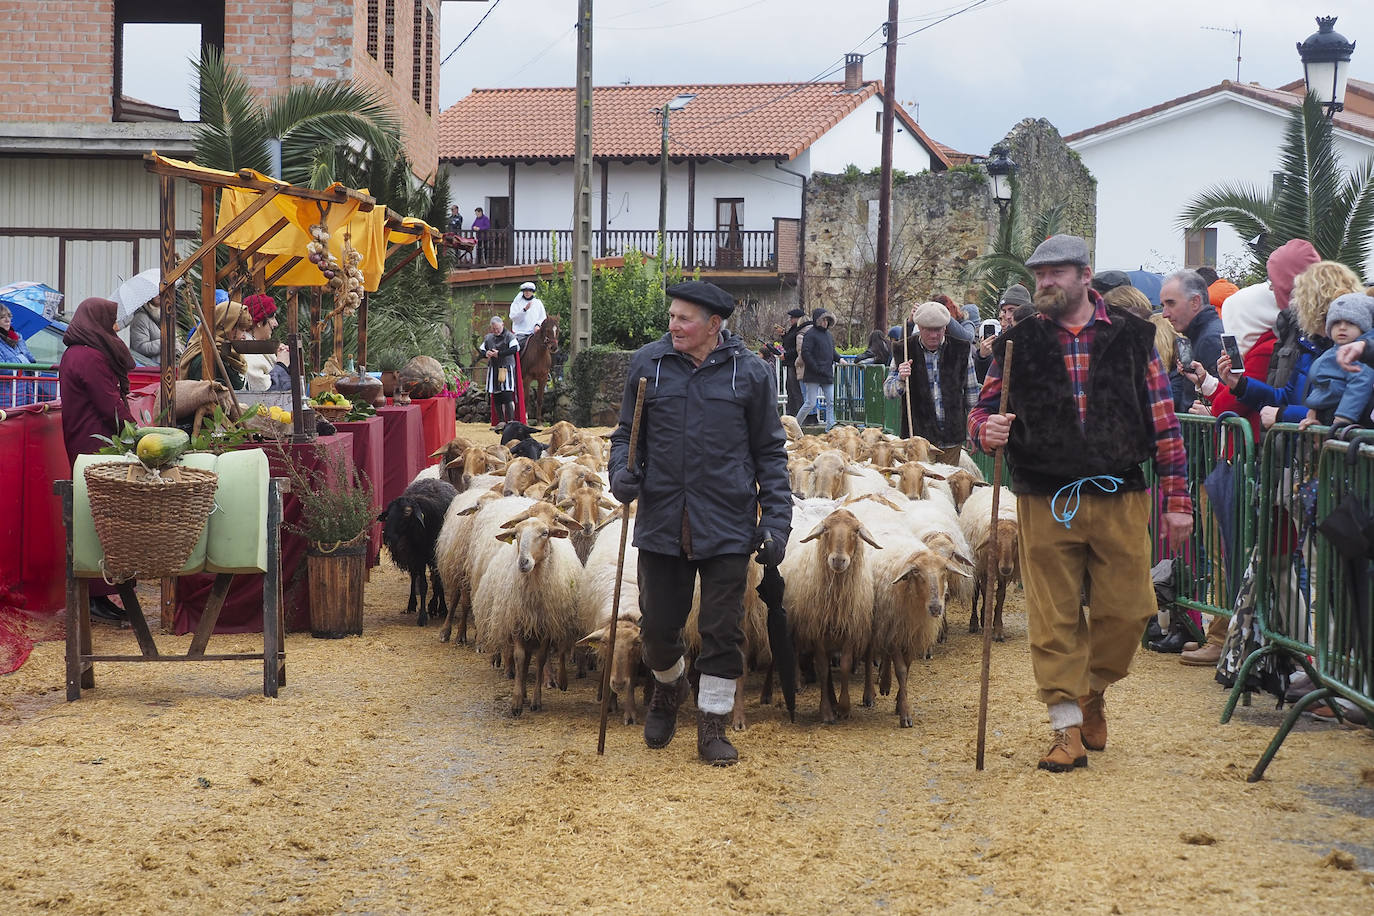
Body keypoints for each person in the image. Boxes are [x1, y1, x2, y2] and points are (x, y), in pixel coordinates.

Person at [969, 234, 1192, 773]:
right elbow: (981, 414)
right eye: (1039, 274)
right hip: (1044, 497)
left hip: (1120, 493)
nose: (1045, 281)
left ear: (1085, 277)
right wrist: (987, 431)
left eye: (1057, 273)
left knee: (1131, 610)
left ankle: (1091, 692)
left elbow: (1164, 422)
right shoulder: (1015, 344)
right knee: (1054, 618)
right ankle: (1065, 727)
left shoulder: (1136, 338)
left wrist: (1177, 498)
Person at [608, 280, 790, 766]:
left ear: (714, 325)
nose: (673, 326)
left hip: (727, 519)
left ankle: (712, 726)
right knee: (658, 630)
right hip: (663, 516)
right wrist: (621, 473)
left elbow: (770, 453)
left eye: (684, 319)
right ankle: (669, 688)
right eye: (671, 316)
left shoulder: (749, 373)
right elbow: (627, 435)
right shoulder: (649, 364)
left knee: (722, 631)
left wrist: (775, 522)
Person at [59, 297, 137, 621]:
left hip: (88, 442)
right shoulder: (90, 357)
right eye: (111, 321)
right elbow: (109, 406)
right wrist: (135, 434)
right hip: (97, 446)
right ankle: (96, 596)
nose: (115, 327)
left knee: (97, 518)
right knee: (102, 520)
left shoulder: (76, 353)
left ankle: (102, 594)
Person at [886, 300, 978, 446]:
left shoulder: (961, 349)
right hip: (916, 442)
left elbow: (972, 394)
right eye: (928, 329)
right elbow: (888, 392)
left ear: (945, 328)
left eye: (939, 329)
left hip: (952, 439)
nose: (934, 335)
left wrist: (972, 432)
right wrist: (901, 379)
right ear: (920, 327)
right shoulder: (903, 350)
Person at [1300, 293, 1374, 429]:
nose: (1342, 327)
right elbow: (1321, 384)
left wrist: (1343, 418)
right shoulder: (1330, 352)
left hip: (1343, 420)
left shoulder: (1359, 355)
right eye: (1336, 323)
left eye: (1351, 323)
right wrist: (1313, 410)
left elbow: (1360, 385)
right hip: (1325, 416)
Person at [1160, 268, 1223, 411]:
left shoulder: (1211, 339)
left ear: (1195, 302)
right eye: (1163, 305)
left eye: (1171, 303)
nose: (1164, 314)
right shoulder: (1197, 335)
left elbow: (1228, 398)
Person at [180, 298, 252, 390]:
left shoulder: (227, 354)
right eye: (242, 330)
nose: (244, 336)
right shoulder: (205, 359)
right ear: (226, 327)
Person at [796, 308, 840, 431]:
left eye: (827, 320)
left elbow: (832, 352)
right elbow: (806, 353)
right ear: (817, 320)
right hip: (813, 375)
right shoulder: (810, 334)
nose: (825, 322)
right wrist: (815, 367)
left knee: (831, 401)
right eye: (823, 320)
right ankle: (795, 425)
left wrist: (840, 359)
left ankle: (830, 427)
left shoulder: (828, 335)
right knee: (810, 403)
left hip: (826, 374)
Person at [241, 293, 288, 392]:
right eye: (272, 318)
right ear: (259, 321)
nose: (276, 323)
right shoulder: (246, 350)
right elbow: (265, 392)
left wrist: (280, 355)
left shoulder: (258, 345)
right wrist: (281, 364)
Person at [480, 315, 519, 429]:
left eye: (498, 328)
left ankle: (511, 420)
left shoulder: (509, 336)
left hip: (506, 368)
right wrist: (486, 353)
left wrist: (499, 353)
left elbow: (515, 348)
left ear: (502, 325)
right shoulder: (489, 338)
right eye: (494, 329)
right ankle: (501, 421)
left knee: (507, 394)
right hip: (494, 368)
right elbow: (482, 349)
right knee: (496, 395)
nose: (496, 331)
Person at [0, 303, 37, 408]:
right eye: (2, 317)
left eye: (9, 316)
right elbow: (3, 368)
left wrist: (26, 363)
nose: (7, 320)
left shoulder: (18, 337)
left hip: (24, 393)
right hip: (5, 398)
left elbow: (31, 360)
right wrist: (22, 360)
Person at [780, 307, 809, 416]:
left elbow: (797, 348)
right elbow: (790, 343)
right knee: (790, 389)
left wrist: (786, 355)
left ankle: (797, 414)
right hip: (791, 362)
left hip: (794, 362)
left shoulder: (799, 330)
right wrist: (784, 335)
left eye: (792, 318)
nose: (790, 320)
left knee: (795, 390)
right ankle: (791, 412)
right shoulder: (793, 329)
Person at [509, 281, 546, 346]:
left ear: (532, 292)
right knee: (516, 348)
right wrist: (524, 310)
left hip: (535, 333)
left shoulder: (538, 303)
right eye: (525, 291)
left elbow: (543, 317)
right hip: (521, 333)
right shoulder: (516, 303)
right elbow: (514, 319)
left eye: (529, 291)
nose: (527, 293)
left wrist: (538, 325)